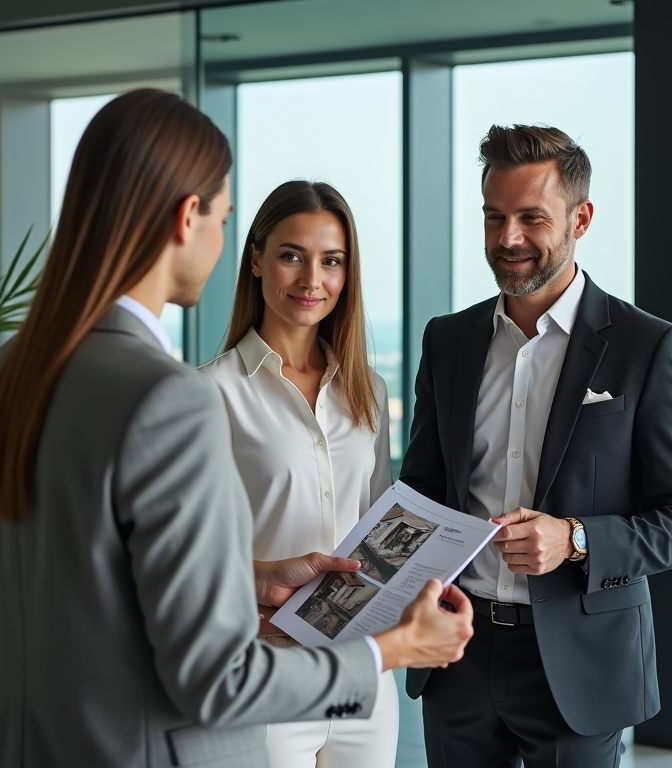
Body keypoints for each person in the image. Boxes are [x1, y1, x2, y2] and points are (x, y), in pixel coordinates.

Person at [0, 89, 473, 768]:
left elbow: (96, 579)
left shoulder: (1, 376)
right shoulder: (172, 397)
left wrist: (253, 578)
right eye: (226, 218)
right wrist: (398, 649)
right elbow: (217, 679)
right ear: (187, 216)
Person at [399, 124, 672, 768]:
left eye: (530, 218)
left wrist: (574, 538)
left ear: (582, 217)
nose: (507, 239)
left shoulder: (647, 347)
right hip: (456, 651)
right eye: (494, 217)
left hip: (581, 665)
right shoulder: (448, 341)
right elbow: (423, 493)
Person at [200, 181, 398, 768]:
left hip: (362, 668)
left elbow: (379, 520)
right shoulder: (209, 394)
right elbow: (185, 553)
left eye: (331, 261)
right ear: (256, 259)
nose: (313, 280)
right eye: (292, 255)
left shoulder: (368, 391)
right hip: (261, 667)